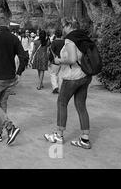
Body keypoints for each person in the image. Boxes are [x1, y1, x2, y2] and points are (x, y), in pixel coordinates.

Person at [44, 18, 95, 149]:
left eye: (63, 26)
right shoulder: (84, 37)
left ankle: (59, 135)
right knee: (81, 106)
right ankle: (85, 139)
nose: (63, 29)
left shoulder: (70, 39)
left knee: (61, 103)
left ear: (69, 25)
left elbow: (72, 59)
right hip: (85, 75)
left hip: (72, 77)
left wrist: (59, 60)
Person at [0, 15, 29, 145]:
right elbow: (23, 56)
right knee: (2, 104)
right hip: (10, 77)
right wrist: (19, 72)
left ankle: (10, 127)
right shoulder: (14, 38)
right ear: (8, 25)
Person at [49, 29, 65, 94]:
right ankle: (61, 88)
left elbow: (51, 52)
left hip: (55, 61)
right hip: (63, 60)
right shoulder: (64, 42)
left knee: (53, 74)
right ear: (61, 35)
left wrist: (50, 60)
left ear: (55, 35)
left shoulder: (54, 42)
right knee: (61, 75)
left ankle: (55, 87)